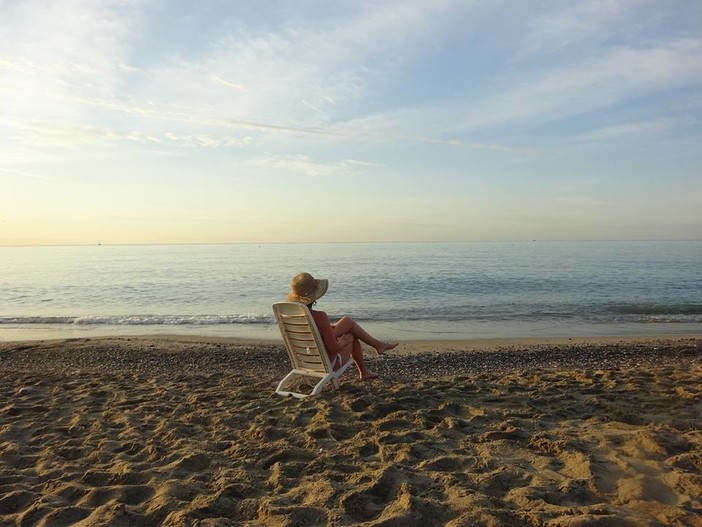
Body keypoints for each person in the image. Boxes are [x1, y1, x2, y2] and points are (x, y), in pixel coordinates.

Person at [287, 272, 398, 380]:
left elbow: (311, 337)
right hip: (326, 364)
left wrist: (325, 331)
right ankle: (365, 368)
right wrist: (343, 342)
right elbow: (333, 348)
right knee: (350, 335)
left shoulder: (291, 316)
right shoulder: (320, 317)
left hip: (305, 362)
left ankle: (376, 349)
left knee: (347, 322)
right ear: (314, 295)